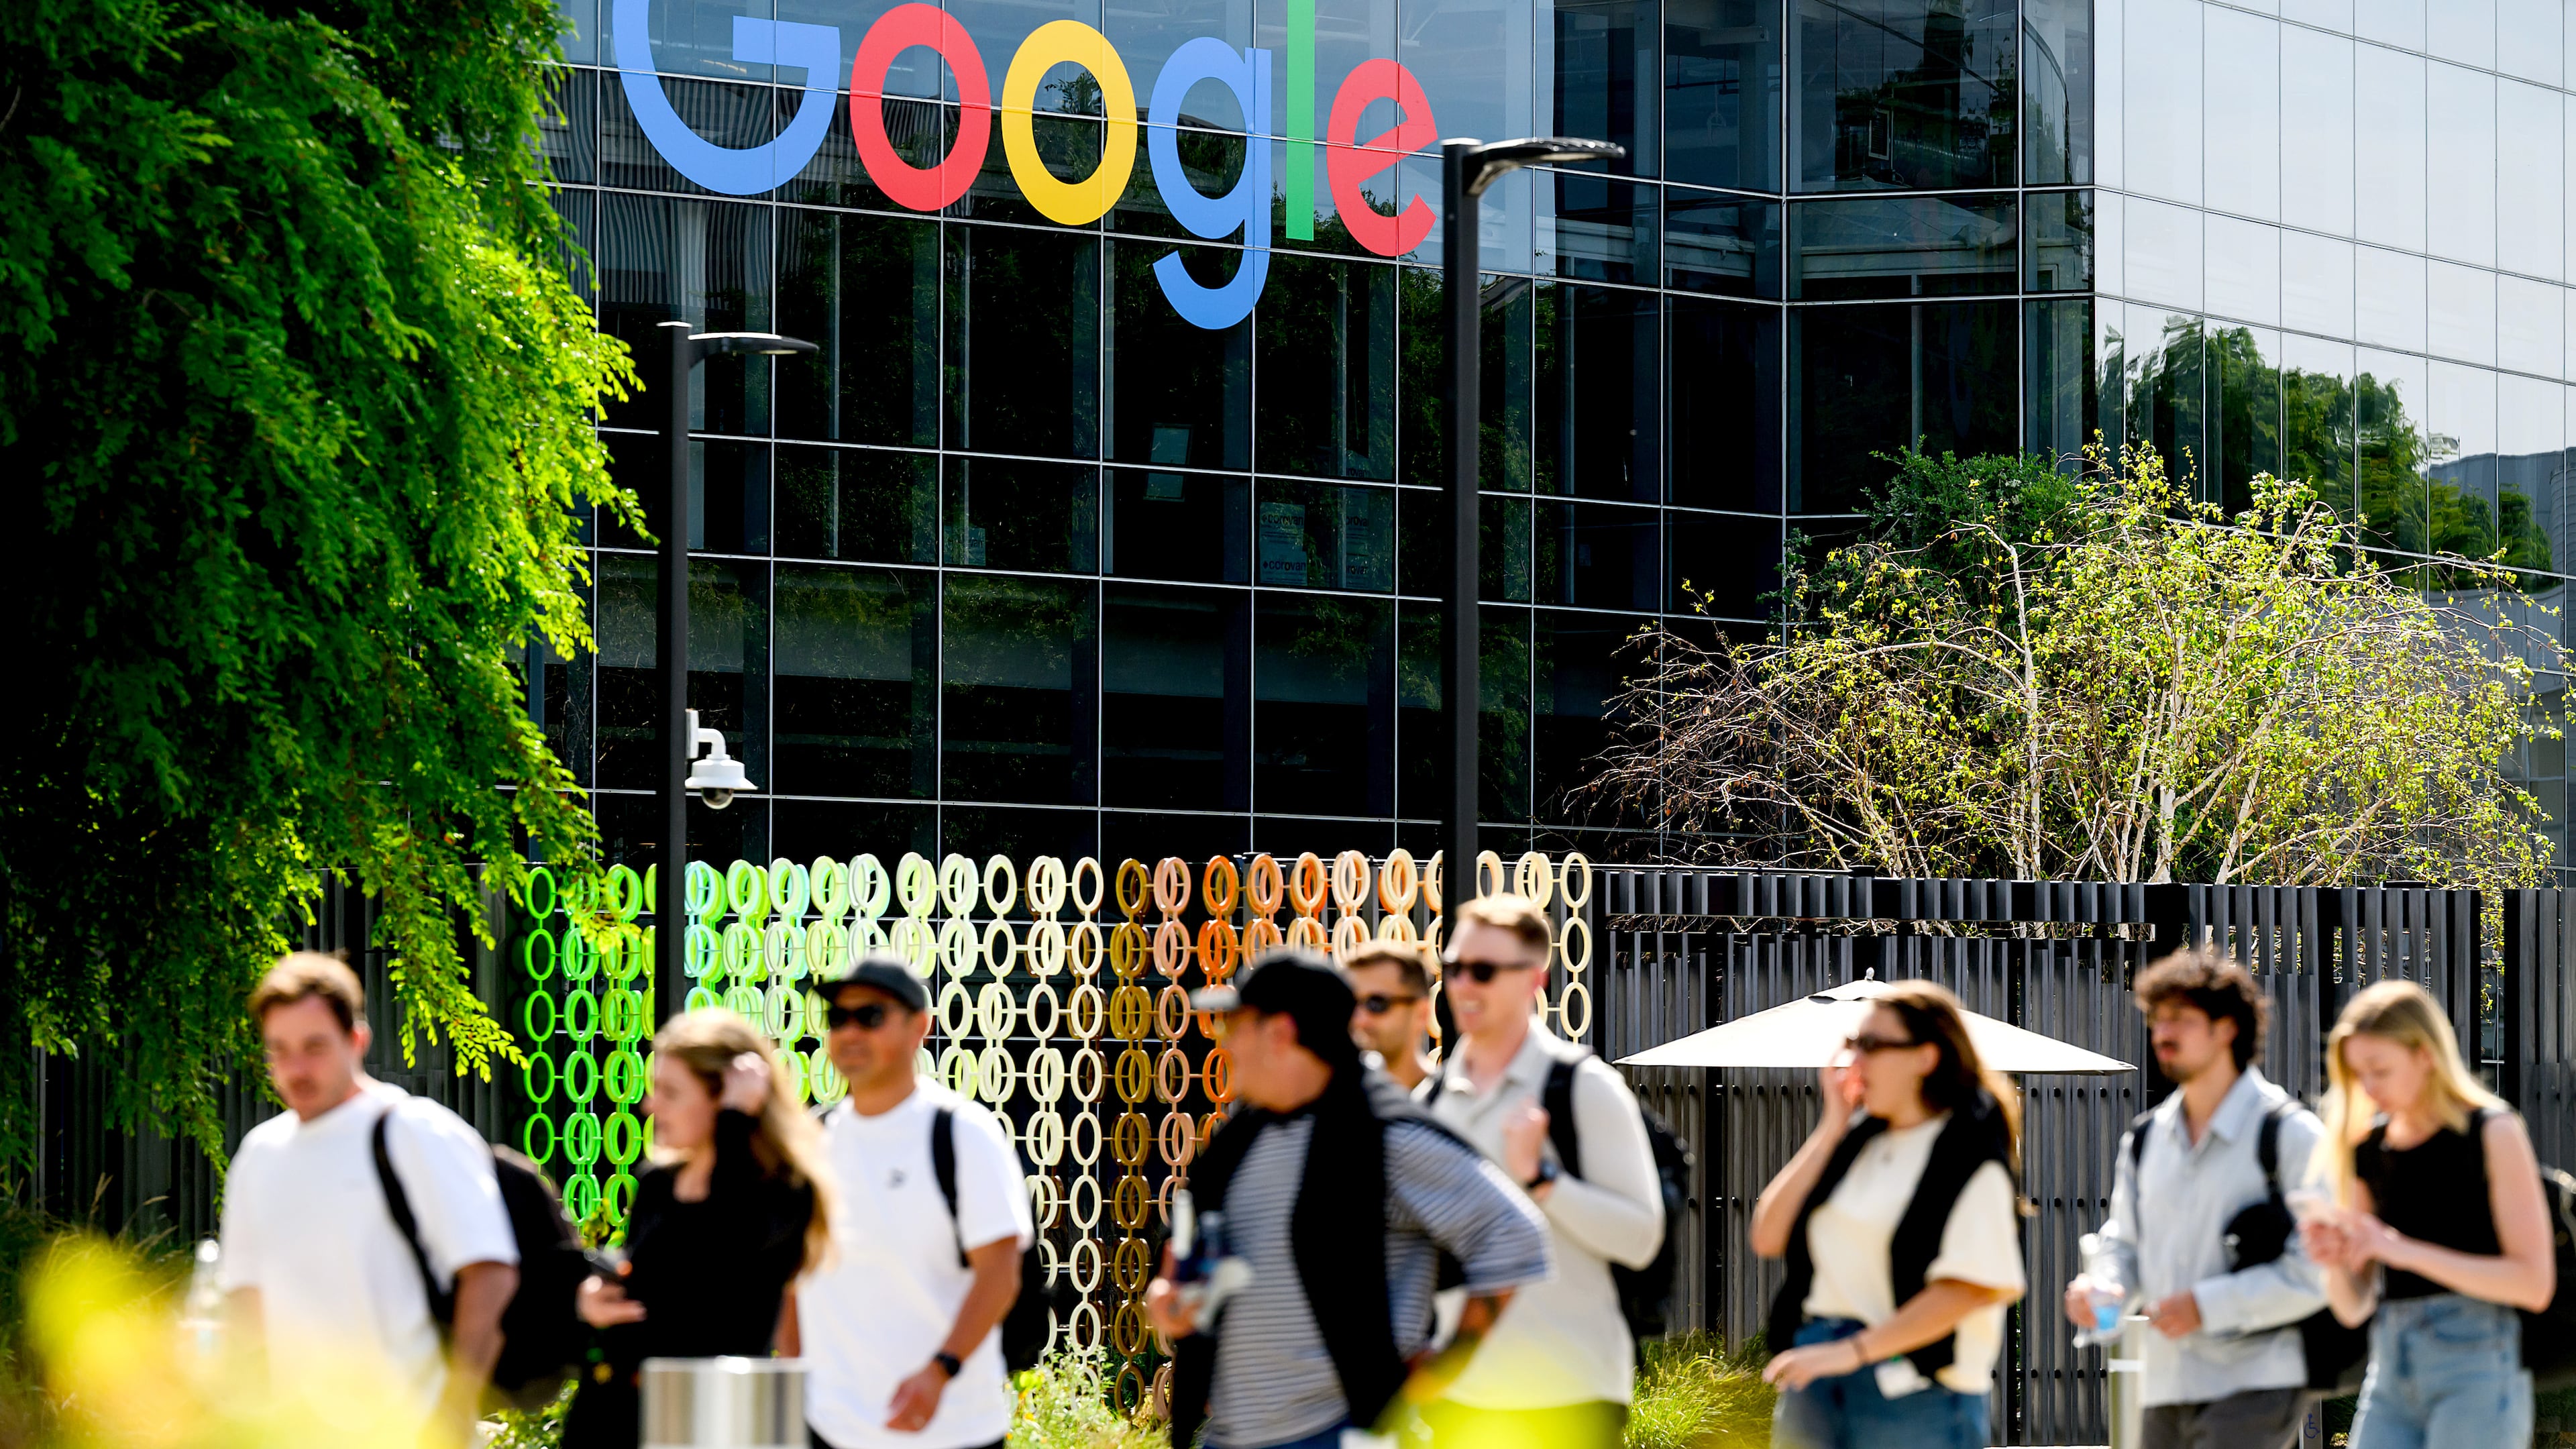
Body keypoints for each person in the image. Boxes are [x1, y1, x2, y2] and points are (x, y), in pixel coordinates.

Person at [1145, 949, 1553, 1449]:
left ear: (1280, 1034)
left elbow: (1513, 1233)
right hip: (1229, 1438)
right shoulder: (1241, 1137)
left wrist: (1444, 1367)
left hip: (1340, 1434)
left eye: (1236, 1027)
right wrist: (1170, 1295)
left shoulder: (1382, 1135)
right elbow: (1189, 1248)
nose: (1224, 1045)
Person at [218, 952, 521, 1447]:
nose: (295, 1068)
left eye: (314, 1047)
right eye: (279, 1049)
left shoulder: (415, 1131)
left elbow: (490, 1272)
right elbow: (246, 1304)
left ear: (356, 1040)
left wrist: (453, 1413)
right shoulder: (259, 1156)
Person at [1417, 894, 1664, 1449]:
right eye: (1453, 968)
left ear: (1535, 979)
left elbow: (1640, 1238)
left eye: (1482, 970)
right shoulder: (1431, 1101)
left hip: (1567, 1396)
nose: (1462, 985)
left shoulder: (1583, 1087)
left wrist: (1542, 1179)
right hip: (1458, 1398)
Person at [2059, 949, 2328, 1449]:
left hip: (2258, 1381)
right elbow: (2123, 1245)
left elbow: (2319, 1273)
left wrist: (2205, 1307)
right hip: (2166, 1382)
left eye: (2180, 1020)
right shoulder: (2144, 1140)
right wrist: (2106, 1289)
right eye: (2157, 1020)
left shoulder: (2292, 1135)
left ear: (2227, 1029)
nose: (2162, 1034)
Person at [1750, 980, 2026, 1449]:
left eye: (1873, 1046)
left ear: (1926, 1057)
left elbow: (1969, 1288)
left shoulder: (1969, 1156)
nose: (1855, 1061)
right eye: (1853, 1045)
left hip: (1916, 1390)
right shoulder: (1856, 1143)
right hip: (1819, 1369)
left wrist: (1853, 1352)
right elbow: (1767, 1235)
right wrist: (1832, 1124)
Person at [563, 1010, 833, 1449]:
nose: (650, 1106)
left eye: (670, 1092)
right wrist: (596, 1302)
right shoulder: (659, 1182)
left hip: (711, 1421)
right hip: (612, 1415)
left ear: (727, 1097)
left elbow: (726, 1241)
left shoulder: (780, 1190)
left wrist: (733, 1125)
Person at [2302, 979, 2555, 1449]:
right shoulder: (2368, 1149)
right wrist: (2334, 1257)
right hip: (2390, 1367)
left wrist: (2400, 1250)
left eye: (2380, 1069)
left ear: (2425, 1055)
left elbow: (2534, 1284)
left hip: (2476, 1364)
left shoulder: (2492, 1131)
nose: (2368, 1087)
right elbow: (2352, 1306)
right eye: (2357, 1074)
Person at [798, 957, 1032, 1449]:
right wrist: (796, 1381)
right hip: (830, 1430)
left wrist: (938, 1371)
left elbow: (1000, 1273)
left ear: (919, 1027)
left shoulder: (963, 1134)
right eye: (838, 1018)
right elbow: (794, 1278)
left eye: (871, 1016)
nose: (850, 1032)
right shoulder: (811, 1142)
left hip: (949, 1431)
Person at [1343, 939, 1438, 1091]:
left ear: (1422, 1013)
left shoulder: (1449, 1105)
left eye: (1376, 1004)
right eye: (1350, 1004)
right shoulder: (1327, 1105)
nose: (1359, 1020)